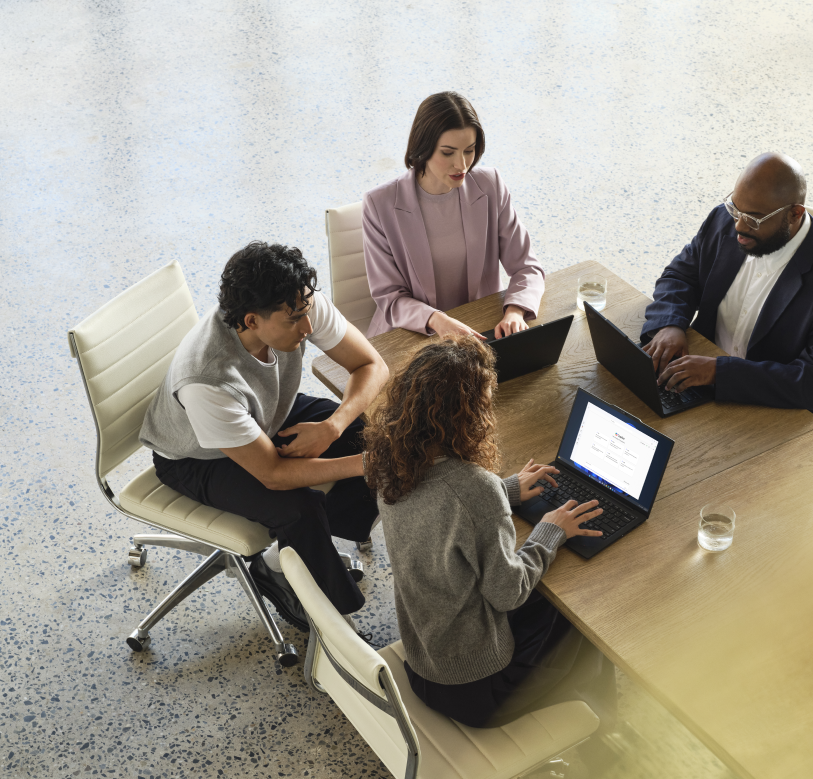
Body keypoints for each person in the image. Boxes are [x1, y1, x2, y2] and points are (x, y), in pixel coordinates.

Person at [362, 336, 616, 728]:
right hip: (481, 690)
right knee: (584, 612)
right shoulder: (474, 489)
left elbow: (441, 516)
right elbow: (507, 593)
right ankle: (604, 728)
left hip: (424, 665)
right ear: (468, 413)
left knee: (553, 600)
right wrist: (549, 532)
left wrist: (506, 489)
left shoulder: (390, 461)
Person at [139, 241, 390, 629]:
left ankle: (288, 554)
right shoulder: (208, 379)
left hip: (265, 413)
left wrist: (332, 428)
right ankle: (320, 613)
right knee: (298, 509)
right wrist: (366, 465)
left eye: (306, 313)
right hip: (197, 456)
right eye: (293, 321)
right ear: (252, 321)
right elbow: (272, 475)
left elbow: (372, 365)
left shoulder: (295, 302)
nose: (307, 329)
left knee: (367, 434)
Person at [641, 152, 813, 440]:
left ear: (794, 214)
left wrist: (718, 373)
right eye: (736, 210)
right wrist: (670, 324)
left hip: (795, 412)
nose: (738, 226)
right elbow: (681, 275)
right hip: (705, 377)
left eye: (754, 219)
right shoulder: (724, 220)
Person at [362, 91, 545, 341]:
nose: (461, 165)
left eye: (469, 150)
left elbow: (527, 267)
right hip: (411, 336)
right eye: (448, 153)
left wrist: (515, 311)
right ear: (423, 148)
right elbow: (390, 298)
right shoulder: (379, 204)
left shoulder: (490, 186)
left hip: (478, 328)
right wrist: (438, 320)